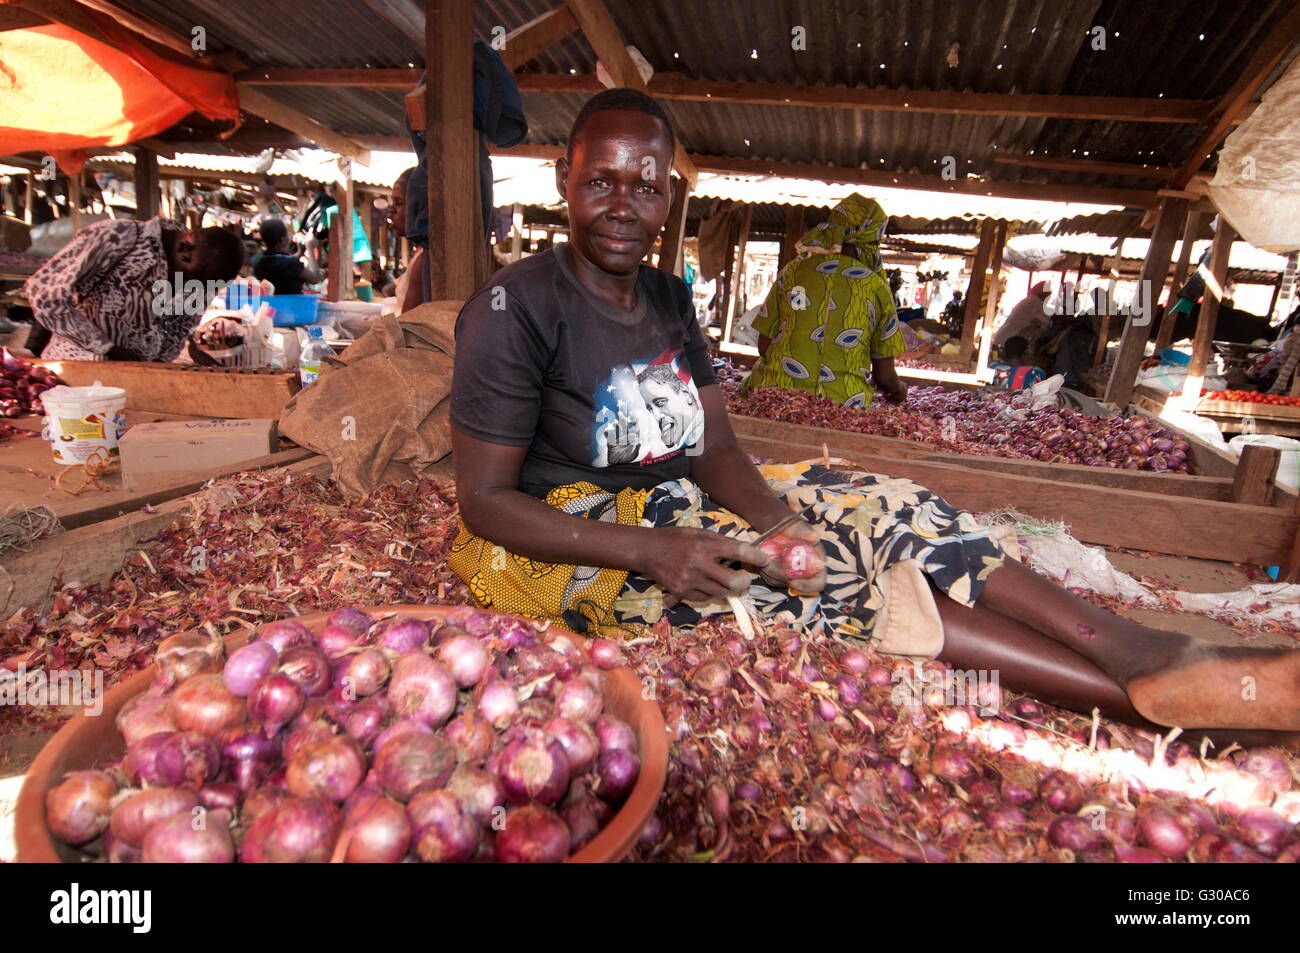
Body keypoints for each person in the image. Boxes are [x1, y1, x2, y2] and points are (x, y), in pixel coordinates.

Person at [448, 86, 1300, 745]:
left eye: (645, 184)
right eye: (600, 180)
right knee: (831, 596)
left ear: (668, 194)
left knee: (888, 506)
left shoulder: (669, 298)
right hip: (572, 539)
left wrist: (784, 518)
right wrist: (652, 550)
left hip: (679, 506)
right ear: (565, 178)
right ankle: (1144, 705)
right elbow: (484, 504)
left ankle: (1136, 649)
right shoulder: (514, 308)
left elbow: (714, 446)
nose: (623, 203)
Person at [740, 193, 908, 409]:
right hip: (844, 405)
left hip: (774, 395)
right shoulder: (877, 288)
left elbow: (764, 346)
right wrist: (899, 390)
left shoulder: (791, 272)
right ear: (870, 237)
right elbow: (884, 376)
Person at [25, 217, 244, 361]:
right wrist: (108, 348)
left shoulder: (204, 274)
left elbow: (179, 329)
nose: (193, 291)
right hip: (77, 374)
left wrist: (160, 364)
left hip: (138, 381)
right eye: (189, 281)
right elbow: (44, 293)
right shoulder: (119, 237)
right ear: (184, 249)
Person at [252, 217, 322, 294]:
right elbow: (314, 278)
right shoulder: (290, 264)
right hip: (292, 304)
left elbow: (280, 262)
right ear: (282, 240)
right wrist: (310, 249)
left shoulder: (259, 261)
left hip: (270, 304)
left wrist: (300, 252)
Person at [993, 279, 1052, 349]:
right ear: (1042, 293)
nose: (1048, 297)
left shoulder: (1029, 300)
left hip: (1004, 337)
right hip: (1007, 339)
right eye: (1047, 294)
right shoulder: (1035, 301)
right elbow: (1047, 320)